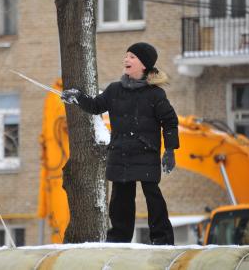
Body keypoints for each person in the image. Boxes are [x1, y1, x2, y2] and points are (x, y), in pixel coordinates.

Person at [61, 42, 179, 245]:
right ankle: (118, 239)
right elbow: (96, 106)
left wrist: (170, 150)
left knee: (153, 196)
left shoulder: (155, 94)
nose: (126, 59)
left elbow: (169, 121)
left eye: (132, 56)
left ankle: (162, 239)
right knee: (120, 200)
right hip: (120, 153)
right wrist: (78, 98)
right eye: (126, 56)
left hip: (145, 152)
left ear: (144, 65)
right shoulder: (115, 90)